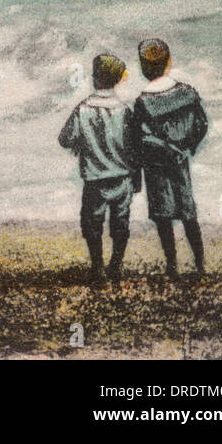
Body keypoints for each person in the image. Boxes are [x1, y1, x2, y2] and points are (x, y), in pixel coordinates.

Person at [129, 39, 209, 279]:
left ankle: (172, 265)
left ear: (143, 67)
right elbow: (201, 124)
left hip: (156, 167)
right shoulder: (187, 92)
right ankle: (200, 264)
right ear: (169, 61)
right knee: (188, 213)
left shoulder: (143, 102)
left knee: (163, 216)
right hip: (181, 161)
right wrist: (188, 148)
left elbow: (139, 139)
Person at [58, 54, 140, 287]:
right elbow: (134, 147)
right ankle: (115, 265)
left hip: (95, 178)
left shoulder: (83, 109)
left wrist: (82, 147)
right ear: (116, 81)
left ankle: (98, 268)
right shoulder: (125, 110)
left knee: (91, 224)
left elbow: (65, 139)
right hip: (122, 177)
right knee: (120, 224)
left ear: (95, 79)